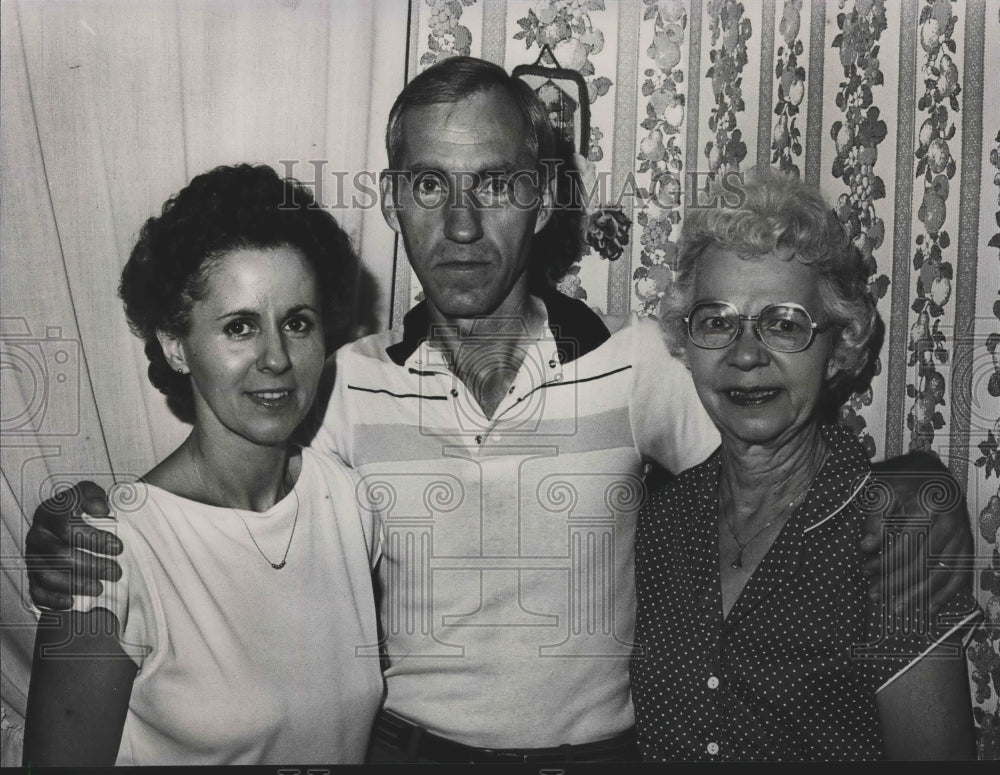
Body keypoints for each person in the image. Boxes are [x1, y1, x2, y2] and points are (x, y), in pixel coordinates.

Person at [24, 58, 973, 764]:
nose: (465, 224)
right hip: (404, 752)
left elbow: (783, 458)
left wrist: (920, 492)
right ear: (394, 200)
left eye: (498, 184)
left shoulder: (639, 364)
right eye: (431, 184)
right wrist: (80, 525)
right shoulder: (338, 383)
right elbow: (213, 493)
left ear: (544, 197)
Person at [21, 164, 383, 766]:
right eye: (239, 326)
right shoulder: (105, 554)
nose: (276, 358)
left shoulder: (349, 503)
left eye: (298, 323)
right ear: (174, 344)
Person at [630, 173, 980, 761]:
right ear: (685, 343)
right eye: (717, 322)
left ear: (838, 344)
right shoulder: (661, 521)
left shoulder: (896, 530)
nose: (746, 355)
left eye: (784, 323)